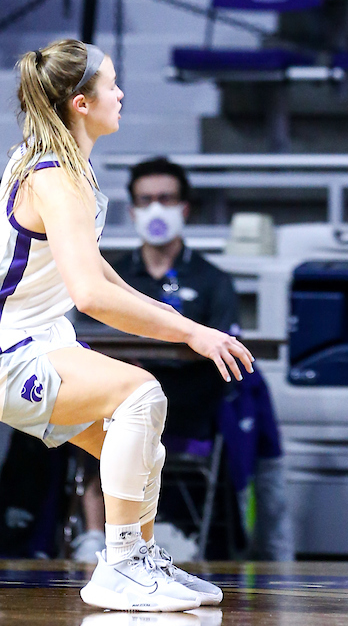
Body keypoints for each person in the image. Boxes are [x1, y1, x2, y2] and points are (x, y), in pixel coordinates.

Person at [0, 38, 253, 608]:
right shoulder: (55, 177)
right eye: (110, 85)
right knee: (142, 394)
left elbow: (95, 267)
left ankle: (140, 561)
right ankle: (119, 567)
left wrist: (169, 315)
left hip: (37, 339)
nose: (120, 94)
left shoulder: (59, 164)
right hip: (11, 349)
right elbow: (89, 294)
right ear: (81, 104)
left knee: (141, 449)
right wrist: (191, 332)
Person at [73, 155, 293, 562]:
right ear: (133, 210)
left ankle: (150, 537)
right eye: (147, 200)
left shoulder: (213, 280)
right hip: (118, 393)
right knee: (84, 406)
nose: (156, 209)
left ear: (184, 208)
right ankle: (93, 536)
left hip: (189, 400)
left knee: (136, 403)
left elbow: (225, 349)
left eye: (166, 198)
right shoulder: (112, 278)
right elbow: (85, 336)